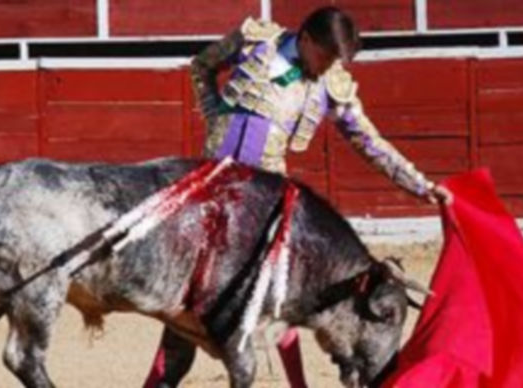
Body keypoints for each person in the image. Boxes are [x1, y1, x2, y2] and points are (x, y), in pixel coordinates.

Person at [143, 6, 452, 388]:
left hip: (264, 205)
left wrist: (421, 186)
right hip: (211, 192)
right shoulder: (254, 42)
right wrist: (212, 111)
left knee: (277, 298)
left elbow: (369, 142)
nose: (326, 68)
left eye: (333, 61)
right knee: (189, 297)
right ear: (304, 39)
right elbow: (202, 66)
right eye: (324, 57)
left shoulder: (330, 85)